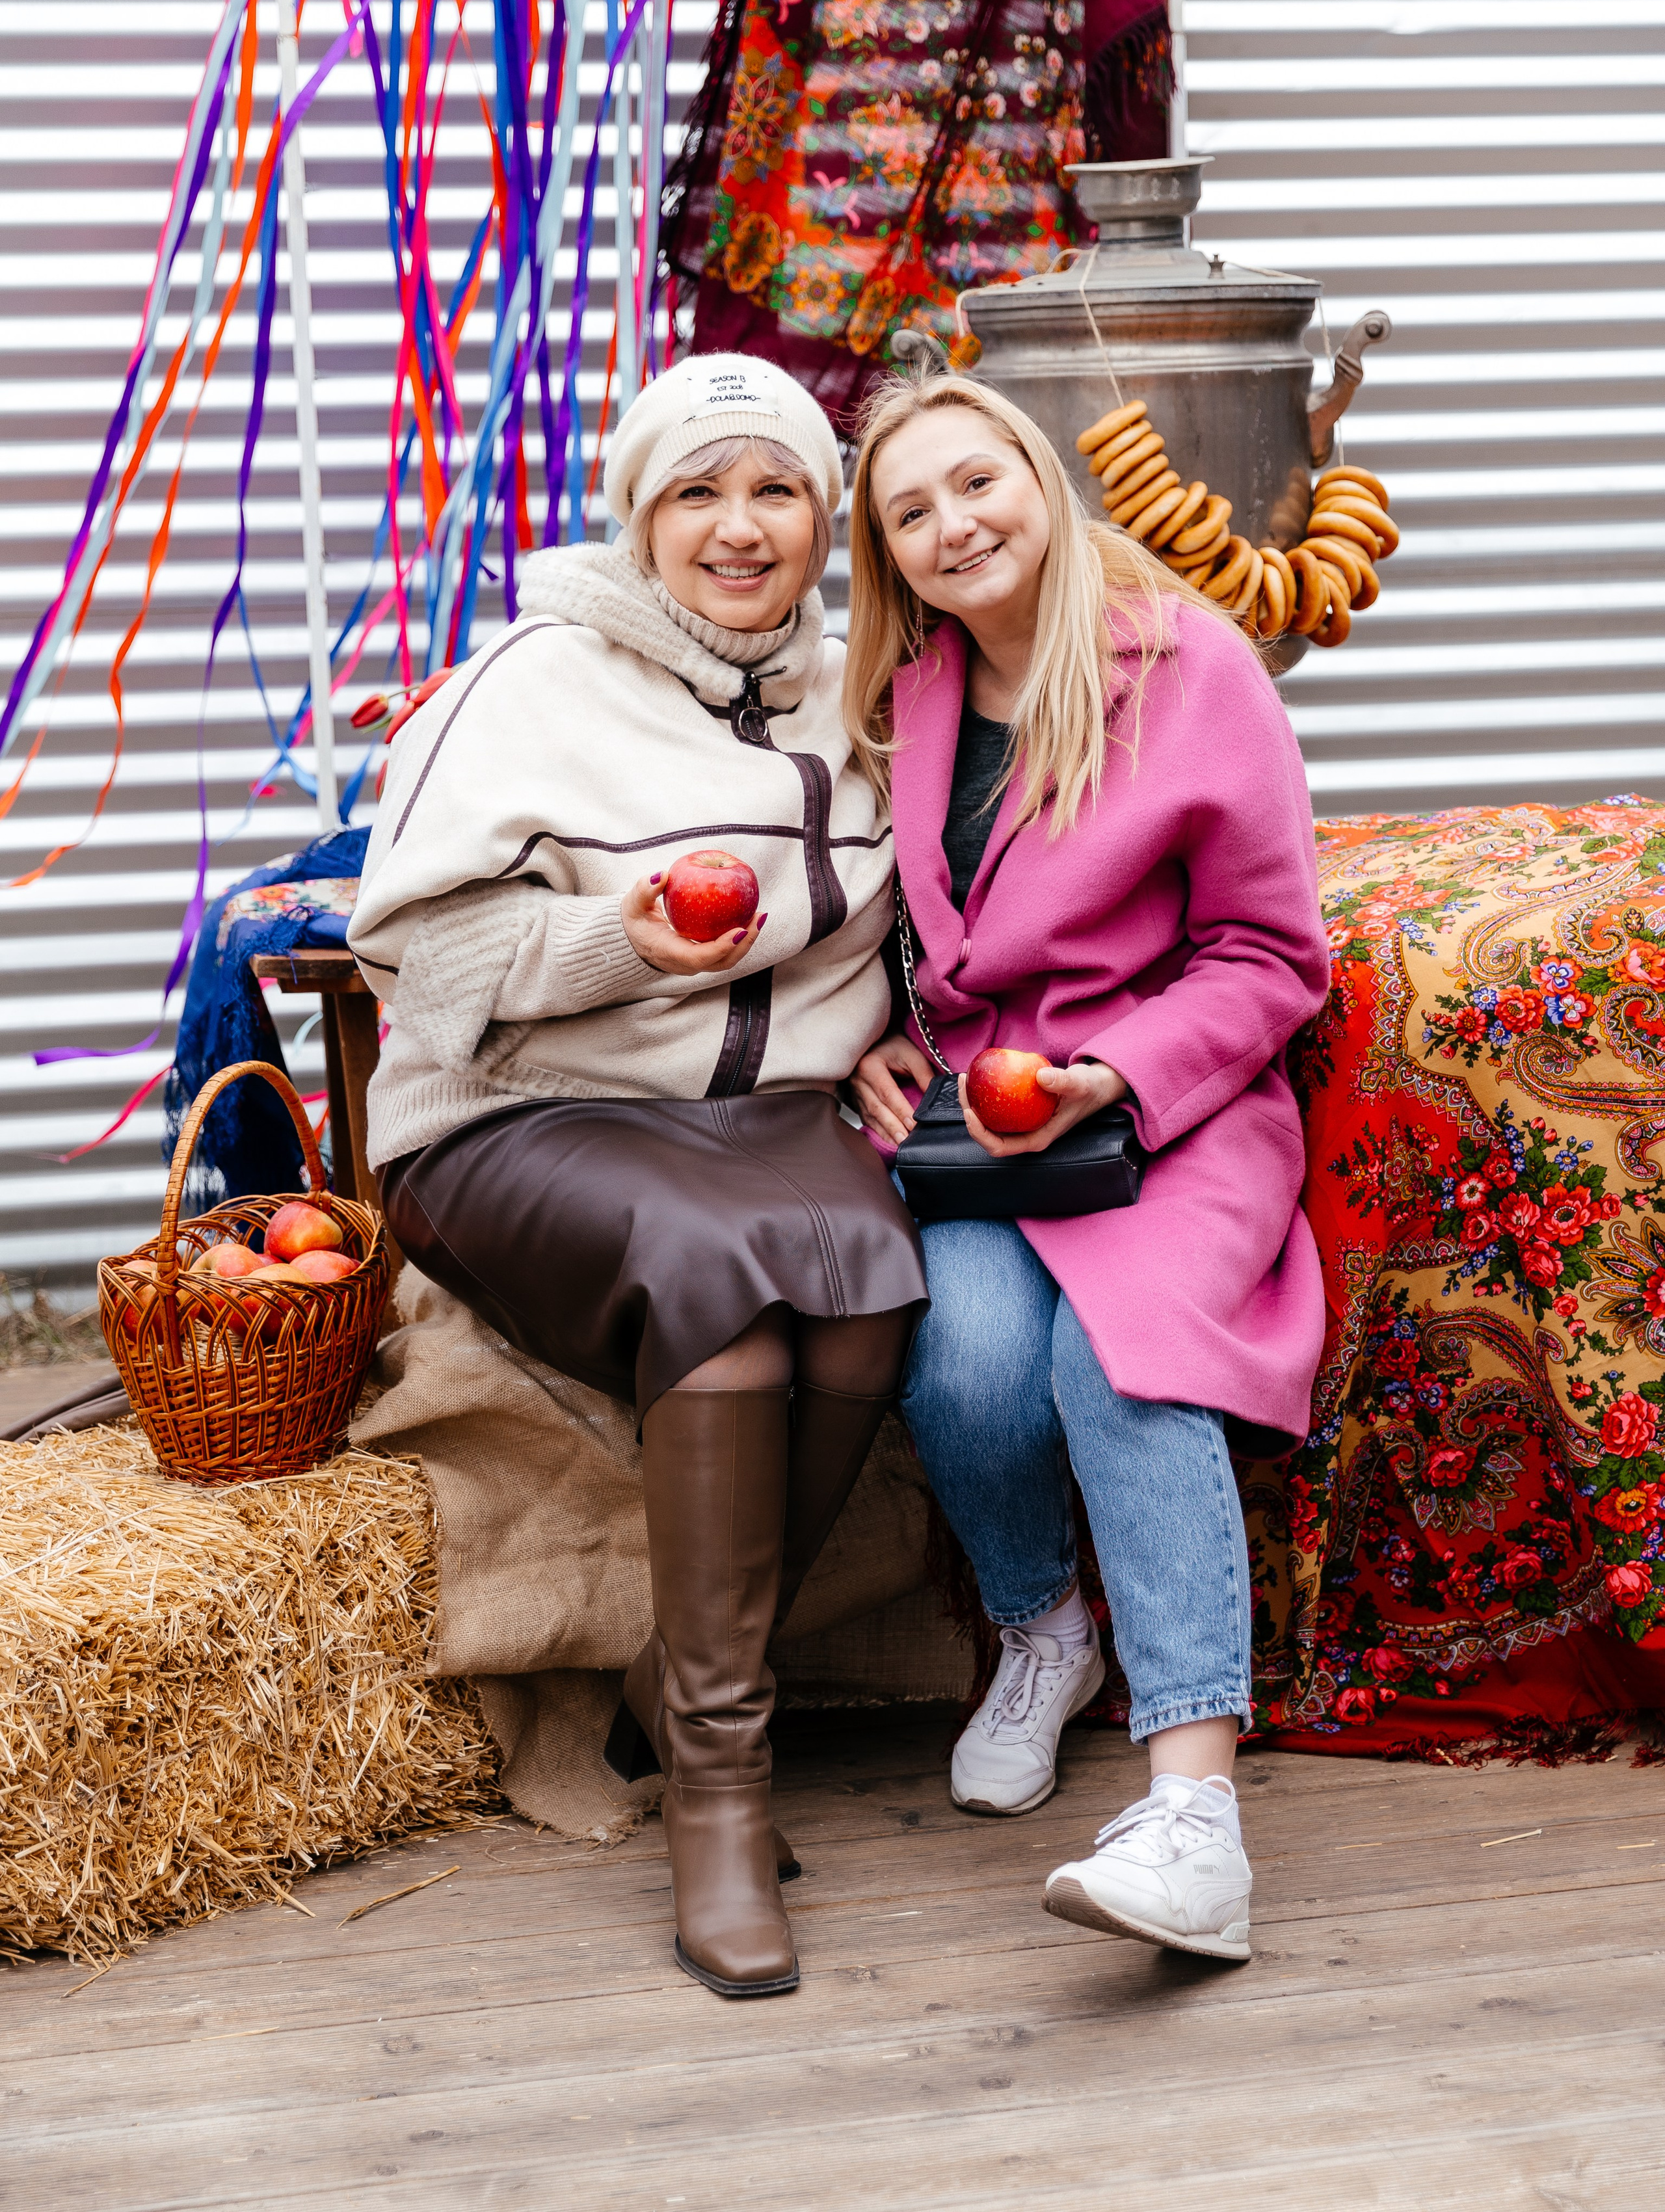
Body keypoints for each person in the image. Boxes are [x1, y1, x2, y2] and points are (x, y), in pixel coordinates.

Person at [348, 353, 927, 2000]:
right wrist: (619, 941)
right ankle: (723, 1792)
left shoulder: (867, 692)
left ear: (824, 518)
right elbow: (409, 965)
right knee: (726, 1312)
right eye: (698, 492)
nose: (738, 528)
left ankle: (680, 1680)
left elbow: (952, 904)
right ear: (639, 516)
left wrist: (905, 1030)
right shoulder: (527, 684)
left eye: (776, 490)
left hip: (773, 1123)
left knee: (873, 1292)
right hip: (522, 1113)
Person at [845, 371, 1329, 1963]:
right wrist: (874, 1038)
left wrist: (1111, 1073)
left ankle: (1194, 1820)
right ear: (887, 555)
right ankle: (1041, 1630)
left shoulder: (1188, 665)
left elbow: (1270, 954)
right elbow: (887, 922)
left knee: (1115, 1363)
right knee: (967, 1366)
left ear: (1042, 482)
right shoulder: (906, 696)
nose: (951, 524)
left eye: (975, 482)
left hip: (1167, 1110)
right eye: (909, 511)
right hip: (982, 1123)